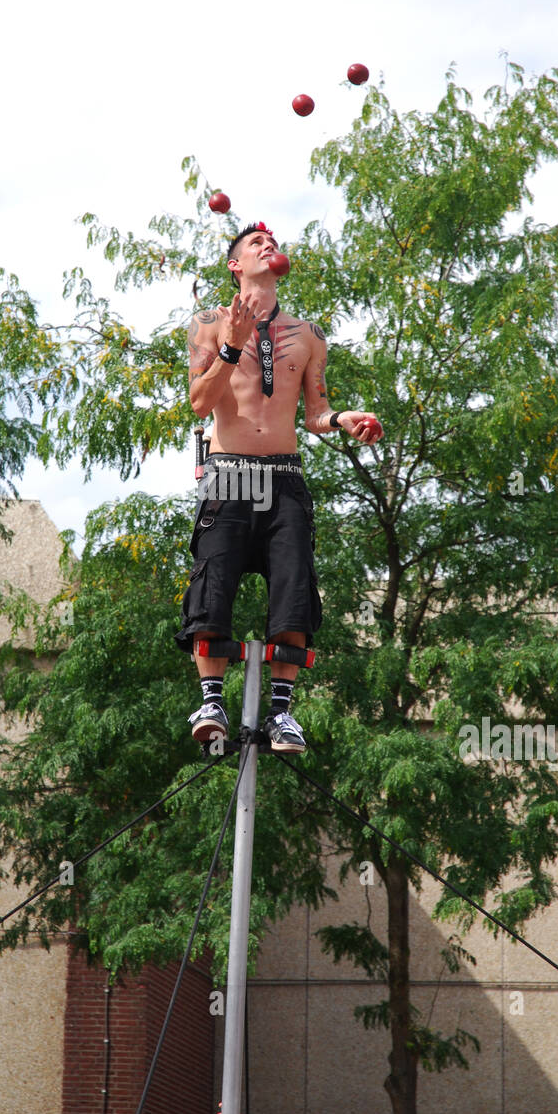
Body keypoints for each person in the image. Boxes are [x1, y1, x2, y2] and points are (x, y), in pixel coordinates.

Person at [175, 222, 383, 753]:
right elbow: (199, 403)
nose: (268, 245)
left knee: (294, 590)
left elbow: (314, 412)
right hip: (228, 473)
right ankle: (211, 701)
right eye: (255, 244)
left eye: (272, 241)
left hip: (285, 477)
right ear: (235, 265)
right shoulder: (207, 323)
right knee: (212, 586)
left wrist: (343, 419)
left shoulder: (310, 335)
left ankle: (282, 713)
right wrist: (231, 347)